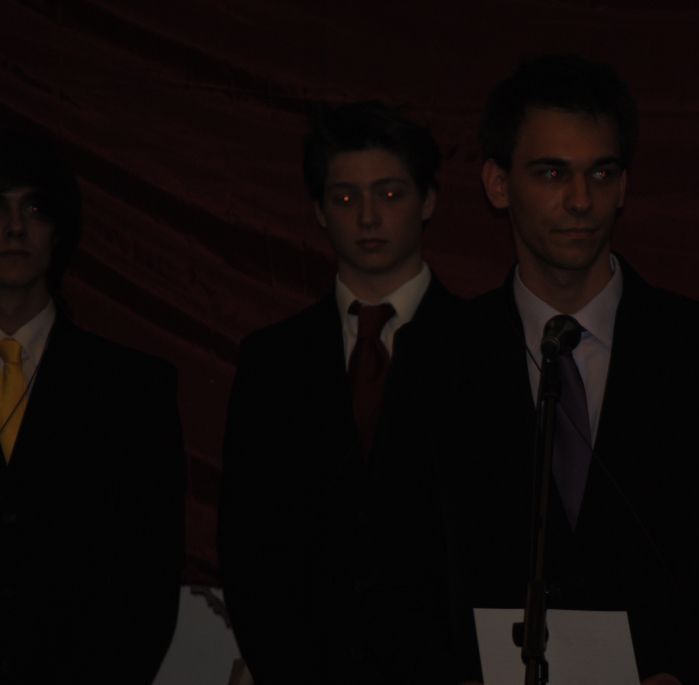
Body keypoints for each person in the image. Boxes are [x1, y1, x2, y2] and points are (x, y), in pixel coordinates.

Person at [436, 55, 699, 685]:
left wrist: (694, 673)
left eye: (601, 173)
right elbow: (401, 565)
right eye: (552, 173)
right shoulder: (439, 354)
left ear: (624, 186)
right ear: (497, 184)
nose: (581, 201)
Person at [218, 101, 460, 684]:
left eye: (390, 194)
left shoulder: (484, 347)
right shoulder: (272, 361)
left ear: (429, 200)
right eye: (346, 198)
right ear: (320, 212)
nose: (368, 217)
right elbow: (249, 543)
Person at [0, 129, 184, 683]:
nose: (14, 227)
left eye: (34, 208)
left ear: (59, 229)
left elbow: (147, 584)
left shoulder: (133, 390)